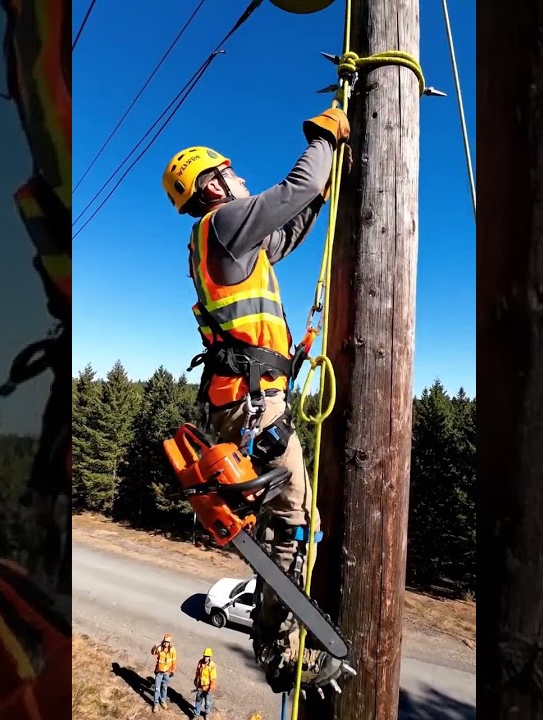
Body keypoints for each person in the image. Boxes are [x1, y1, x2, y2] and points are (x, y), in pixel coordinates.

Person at [160, 106, 353, 694]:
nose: (239, 175)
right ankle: (282, 649)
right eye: (230, 169)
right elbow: (301, 187)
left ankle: (279, 638)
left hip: (244, 396)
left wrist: (321, 191)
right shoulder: (223, 223)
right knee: (293, 516)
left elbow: (290, 224)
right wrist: (322, 138)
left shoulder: (231, 238)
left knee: (288, 514)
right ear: (212, 185)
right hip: (251, 401)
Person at [149, 633, 177, 712]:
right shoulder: (159, 648)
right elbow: (153, 652)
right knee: (157, 688)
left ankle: (163, 701)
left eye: (167, 642)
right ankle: (156, 704)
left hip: (167, 673)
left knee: (164, 688)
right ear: (163, 641)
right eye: (165, 642)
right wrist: (155, 646)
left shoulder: (172, 650)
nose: (166, 643)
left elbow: (174, 661)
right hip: (159, 672)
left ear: (170, 643)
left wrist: (173, 671)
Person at [193, 648, 218, 719]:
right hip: (200, 686)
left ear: (210, 657)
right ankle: (196, 714)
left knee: (207, 703)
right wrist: (195, 679)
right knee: (198, 700)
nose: (205, 658)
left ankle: (207, 714)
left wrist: (211, 688)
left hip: (208, 687)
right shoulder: (200, 662)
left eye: (207, 656)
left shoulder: (212, 665)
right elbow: (198, 672)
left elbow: (213, 678)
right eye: (204, 656)